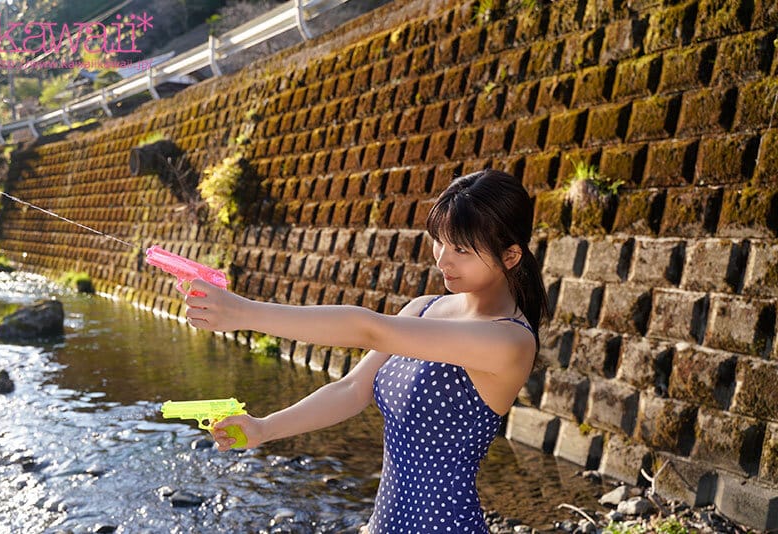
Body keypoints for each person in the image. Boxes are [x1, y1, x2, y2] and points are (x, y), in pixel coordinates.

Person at [184, 168, 551, 533]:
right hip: (384, 523)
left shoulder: (511, 342)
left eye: (461, 249)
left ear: (511, 255)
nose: (442, 260)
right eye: (439, 240)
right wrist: (264, 429)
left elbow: (369, 330)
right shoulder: (423, 308)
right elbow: (351, 389)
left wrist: (245, 312)